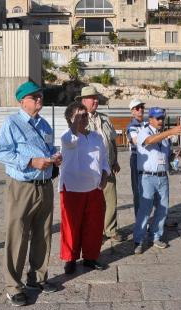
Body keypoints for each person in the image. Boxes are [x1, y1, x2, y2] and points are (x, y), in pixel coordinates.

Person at [0, 81, 61, 307]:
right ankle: (13, 287)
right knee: (18, 235)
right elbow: (2, 153)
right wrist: (30, 161)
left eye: (40, 96)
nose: (39, 100)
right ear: (22, 101)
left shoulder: (44, 124)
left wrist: (55, 156)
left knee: (43, 234)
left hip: (45, 185)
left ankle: (37, 278)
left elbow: (50, 148)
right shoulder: (11, 123)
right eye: (34, 97)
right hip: (21, 187)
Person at [59, 102, 110, 274]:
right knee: (71, 227)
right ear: (70, 119)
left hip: (94, 188)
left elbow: (104, 160)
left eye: (85, 115)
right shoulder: (67, 136)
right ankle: (70, 259)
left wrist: (104, 177)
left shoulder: (96, 137)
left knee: (94, 226)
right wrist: (75, 122)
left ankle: (90, 257)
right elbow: (71, 140)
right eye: (79, 116)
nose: (84, 118)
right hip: (72, 188)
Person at [76, 86, 125, 242]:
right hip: (89, 170)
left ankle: (110, 230)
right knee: (92, 204)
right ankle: (94, 231)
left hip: (107, 168)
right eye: (92, 98)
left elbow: (112, 141)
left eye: (96, 98)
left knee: (111, 201)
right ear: (84, 101)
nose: (96, 100)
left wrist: (115, 160)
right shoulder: (78, 119)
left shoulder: (104, 118)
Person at [133, 107, 181, 254]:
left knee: (163, 209)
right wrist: (170, 132)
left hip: (162, 176)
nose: (161, 121)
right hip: (147, 176)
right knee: (145, 209)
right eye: (158, 118)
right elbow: (149, 141)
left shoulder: (163, 136)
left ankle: (156, 236)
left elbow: (166, 157)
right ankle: (138, 240)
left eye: (162, 118)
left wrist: (175, 156)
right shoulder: (144, 131)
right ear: (150, 119)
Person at [126, 98, 147, 217]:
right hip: (137, 158)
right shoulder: (131, 126)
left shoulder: (147, 124)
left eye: (142, 107)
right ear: (132, 111)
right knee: (139, 190)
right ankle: (140, 219)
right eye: (137, 108)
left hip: (148, 158)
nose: (140, 110)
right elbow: (137, 141)